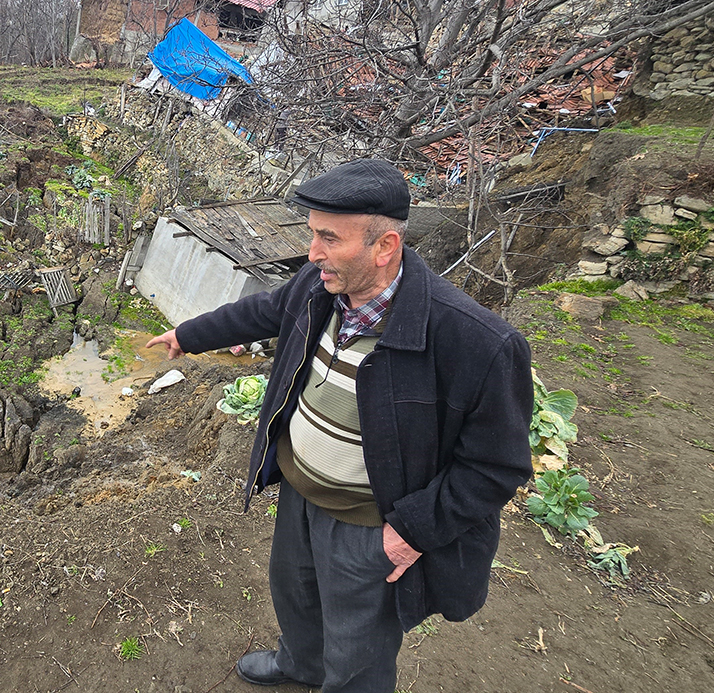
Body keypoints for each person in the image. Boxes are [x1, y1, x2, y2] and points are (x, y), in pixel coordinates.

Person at [146, 159, 533, 692]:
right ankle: (301, 664)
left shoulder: (475, 342)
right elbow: (263, 310)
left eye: (329, 238)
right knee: (295, 592)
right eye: (312, 235)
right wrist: (187, 335)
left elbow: (495, 467)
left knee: (359, 649)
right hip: (299, 494)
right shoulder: (318, 285)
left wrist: (411, 534)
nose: (312, 254)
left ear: (385, 247)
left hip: (369, 524)